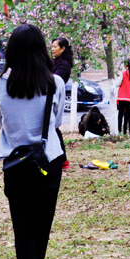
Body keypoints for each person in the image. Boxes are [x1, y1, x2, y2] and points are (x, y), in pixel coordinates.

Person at [0, 24, 65, 259]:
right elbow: (56, 122)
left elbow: (0, 122)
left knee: (22, 228)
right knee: (42, 228)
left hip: (15, 163)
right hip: (48, 163)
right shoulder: (54, 83)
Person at [50, 37, 73, 168]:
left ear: (63, 48)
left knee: (54, 127)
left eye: (55, 46)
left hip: (55, 97)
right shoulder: (53, 62)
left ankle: (63, 159)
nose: (52, 49)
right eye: (52, 46)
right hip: (49, 95)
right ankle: (61, 159)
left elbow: (56, 81)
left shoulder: (64, 65)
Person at [115, 59, 130, 136]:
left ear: (125, 66)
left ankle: (119, 131)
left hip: (122, 98)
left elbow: (117, 84)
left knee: (120, 115)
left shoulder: (123, 74)